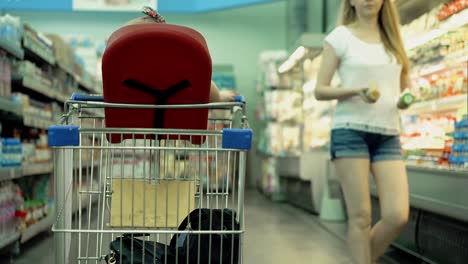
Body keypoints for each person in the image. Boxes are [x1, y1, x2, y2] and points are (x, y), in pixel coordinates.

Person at [314, 0, 411, 263]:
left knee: (397, 215)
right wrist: (355, 91)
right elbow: (320, 90)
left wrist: (405, 99)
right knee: (361, 217)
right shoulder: (340, 37)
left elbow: (403, 88)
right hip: (349, 131)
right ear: (351, 2)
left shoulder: (392, 38)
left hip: (388, 133)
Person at [124, 6, 237, 103]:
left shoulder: (120, 74)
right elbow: (208, 89)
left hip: (127, 126)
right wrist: (221, 96)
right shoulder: (180, 71)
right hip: (178, 127)